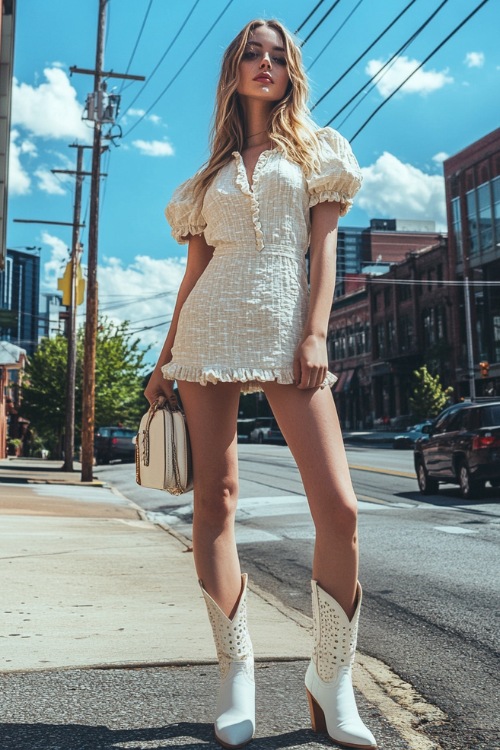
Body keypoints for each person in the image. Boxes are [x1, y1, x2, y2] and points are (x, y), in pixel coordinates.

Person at [145, 18, 376, 750]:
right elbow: (192, 278)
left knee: (339, 508)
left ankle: (330, 680)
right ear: (234, 70)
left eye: (279, 56)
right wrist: (164, 357)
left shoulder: (317, 150)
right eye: (253, 52)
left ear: (290, 71)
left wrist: (315, 332)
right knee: (213, 499)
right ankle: (235, 676)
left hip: (287, 330)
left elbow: (325, 251)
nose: (266, 64)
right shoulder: (205, 179)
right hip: (208, 332)